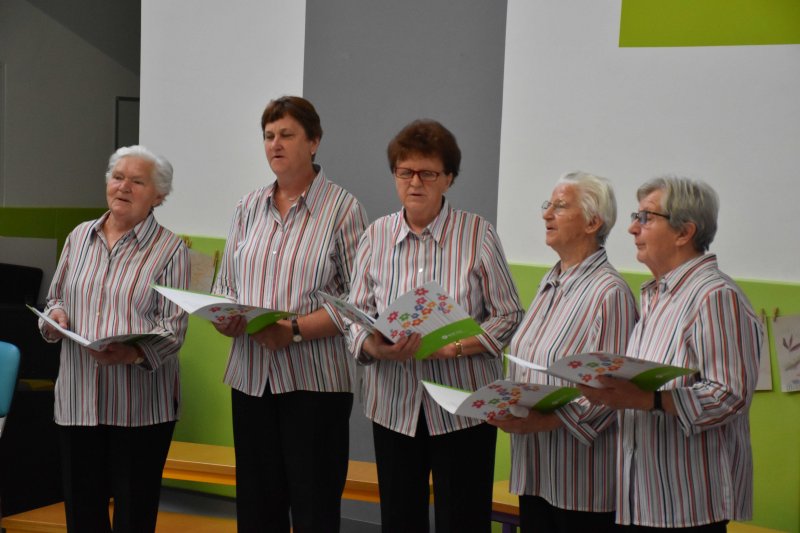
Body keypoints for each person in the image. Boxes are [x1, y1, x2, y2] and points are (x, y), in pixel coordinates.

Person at [346, 119, 524, 533]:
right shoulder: (375, 236)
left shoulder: (478, 235)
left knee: (462, 520)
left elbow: (509, 315)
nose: (415, 182)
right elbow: (354, 317)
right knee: (400, 520)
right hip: (394, 405)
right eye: (405, 171)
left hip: (463, 408)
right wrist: (374, 347)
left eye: (427, 173)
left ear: (449, 178)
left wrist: (456, 346)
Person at [211, 96, 368, 533]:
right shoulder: (247, 207)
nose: (275, 144)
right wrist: (225, 317)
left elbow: (359, 303)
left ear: (314, 142)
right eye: (268, 136)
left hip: (313, 383)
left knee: (314, 508)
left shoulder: (344, 209)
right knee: (257, 509)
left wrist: (294, 330)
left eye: (286, 134)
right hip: (250, 378)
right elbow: (226, 286)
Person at [580, 176, 762, 532]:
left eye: (646, 217)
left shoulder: (714, 296)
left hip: (688, 505)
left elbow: (730, 395)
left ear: (684, 232)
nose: (632, 228)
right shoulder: (658, 296)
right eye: (636, 216)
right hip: (642, 497)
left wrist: (648, 400)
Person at [39, 145, 189, 533]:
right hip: (78, 399)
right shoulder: (79, 237)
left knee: (133, 515)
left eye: (137, 181)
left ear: (159, 195)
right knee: (82, 513)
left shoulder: (171, 249)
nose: (123, 187)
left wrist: (130, 352)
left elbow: (173, 329)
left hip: (139, 408)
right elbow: (56, 298)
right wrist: (55, 317)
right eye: (118, 177)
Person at [489, 172, 638, 533]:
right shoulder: (551, 281)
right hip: (535, 469)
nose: (546, 214)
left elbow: (612, 393)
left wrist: (542, 421)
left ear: (592, 222)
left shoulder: (610, 293)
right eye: (548, 205)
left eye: (559, 206)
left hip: (581, 483)